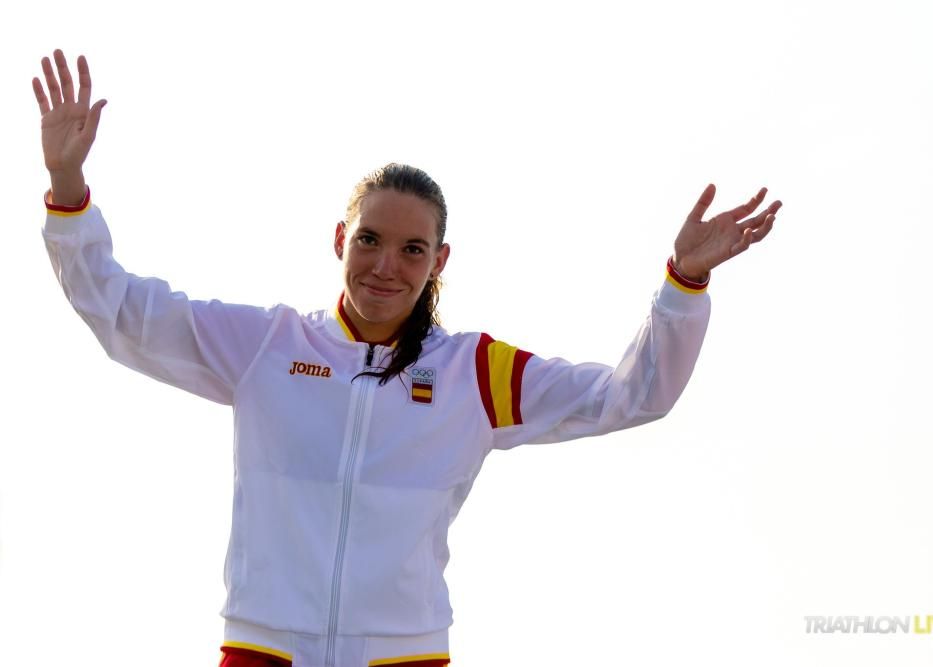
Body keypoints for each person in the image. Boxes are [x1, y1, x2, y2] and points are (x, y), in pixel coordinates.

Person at [33, 49, 782, 667]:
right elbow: (121, 312)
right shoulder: (265, 346)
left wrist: (684, 285)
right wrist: (67, 187)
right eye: (369, 240)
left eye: (412, 248)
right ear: (339, 240)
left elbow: (632, 394)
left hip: (403, 658)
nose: (386, 266)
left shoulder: (476, 375)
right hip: (262, 649)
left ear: (439, 259)